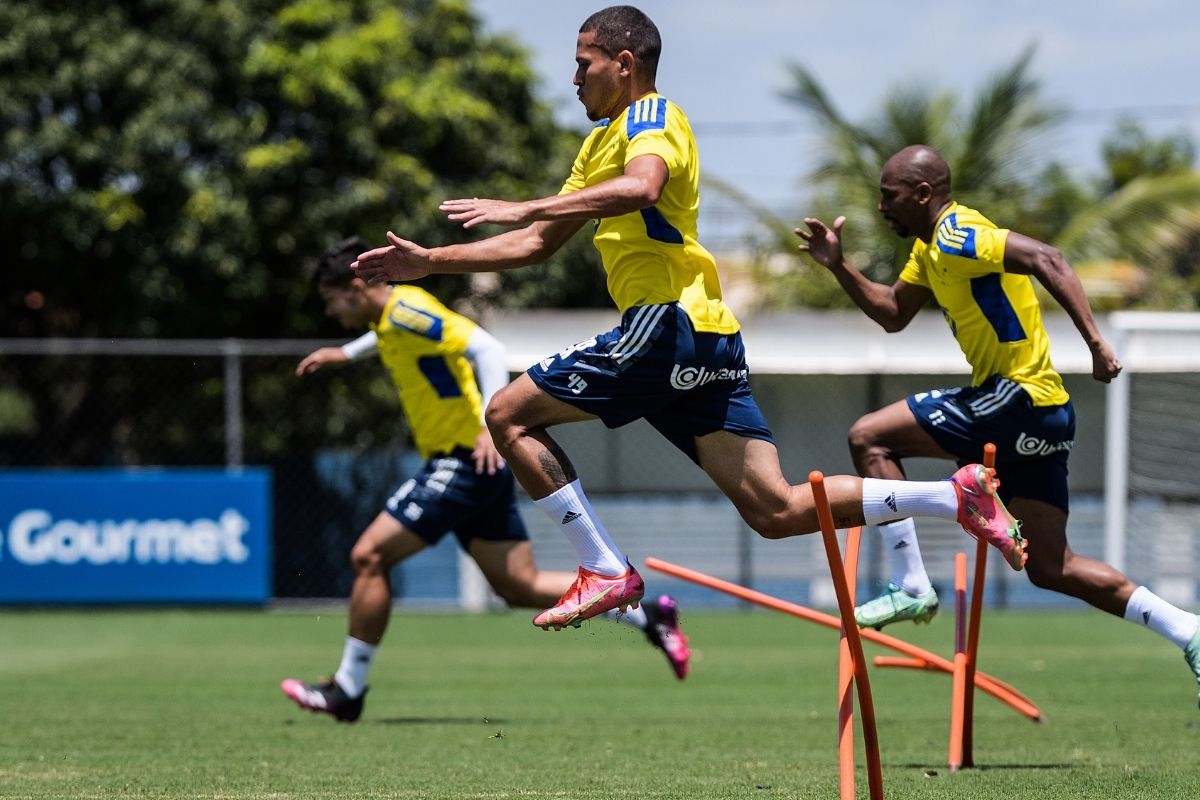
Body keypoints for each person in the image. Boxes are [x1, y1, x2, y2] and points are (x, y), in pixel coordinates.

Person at [351, 6, 1023, 635]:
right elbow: (536, 244)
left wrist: (522, 204)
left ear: (623, 62)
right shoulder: (597, 148)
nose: (574, 77)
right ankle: (953, 496)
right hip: (705, 341)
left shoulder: (649, 114)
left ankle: (606, 568)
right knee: (777, 511)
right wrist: (432, 259)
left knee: (506, 415)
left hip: (663, 326)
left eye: (583, 63)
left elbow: (642, 186)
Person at [796, 144, 1200, 705]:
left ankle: (912, 582)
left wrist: (1097, 344)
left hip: (1015, 399)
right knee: (1051, 567)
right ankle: (1189, 630)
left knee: (870, 436)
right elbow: (892, 312)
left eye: (889, 197)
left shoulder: (959, 233)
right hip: (1047, 415)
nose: (881, 207)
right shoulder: (928, 251)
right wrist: (838, 265)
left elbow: (1049, 258)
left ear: (922, 194)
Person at [280, 237, 692, 723]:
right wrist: (344, 355)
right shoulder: (392, 320)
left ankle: (347, 688)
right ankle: (649, 617)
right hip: (481, 470)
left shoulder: (406, 310)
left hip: (461, 461)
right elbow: (386, 336)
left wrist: (486, 423)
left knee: (368, 556)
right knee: (519, 586)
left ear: (355, 287)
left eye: (331, 301)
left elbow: (484, 346)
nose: (331, 312)